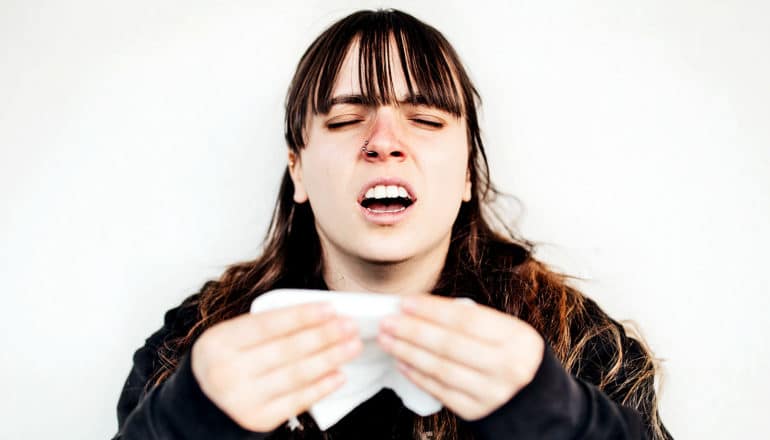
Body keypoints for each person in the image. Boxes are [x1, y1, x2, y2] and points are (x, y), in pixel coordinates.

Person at [113, 8, 672, 440]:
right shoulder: (190, 347)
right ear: (298, 171)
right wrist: (183, 421)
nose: (384, 143)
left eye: (425, 119)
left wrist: (564, 421)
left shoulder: (583, 348)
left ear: (467, 177)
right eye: (347, 119)